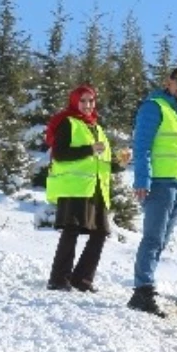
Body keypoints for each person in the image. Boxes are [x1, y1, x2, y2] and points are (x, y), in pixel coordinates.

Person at [128, 65, 177, 317]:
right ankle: (142, 290)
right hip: (159, 183)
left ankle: (144, 288)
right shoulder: (154, 106)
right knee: (153, 238)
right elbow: (142, 145)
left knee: (161, 242)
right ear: (169, 81)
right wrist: (142, 179)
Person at [44, 85, 113, 292]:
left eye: (91, 101)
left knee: (100, 232)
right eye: (82, 101)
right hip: (74, 186)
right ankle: (58, 279)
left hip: (96, 188)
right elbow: (60, 154)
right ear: (74, 102)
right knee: (71, 230)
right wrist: (89, 149)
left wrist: (119, 161)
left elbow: (102, 161)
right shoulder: (68, 123)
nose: (87, 105)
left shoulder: (97, 128)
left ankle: (82, 280)